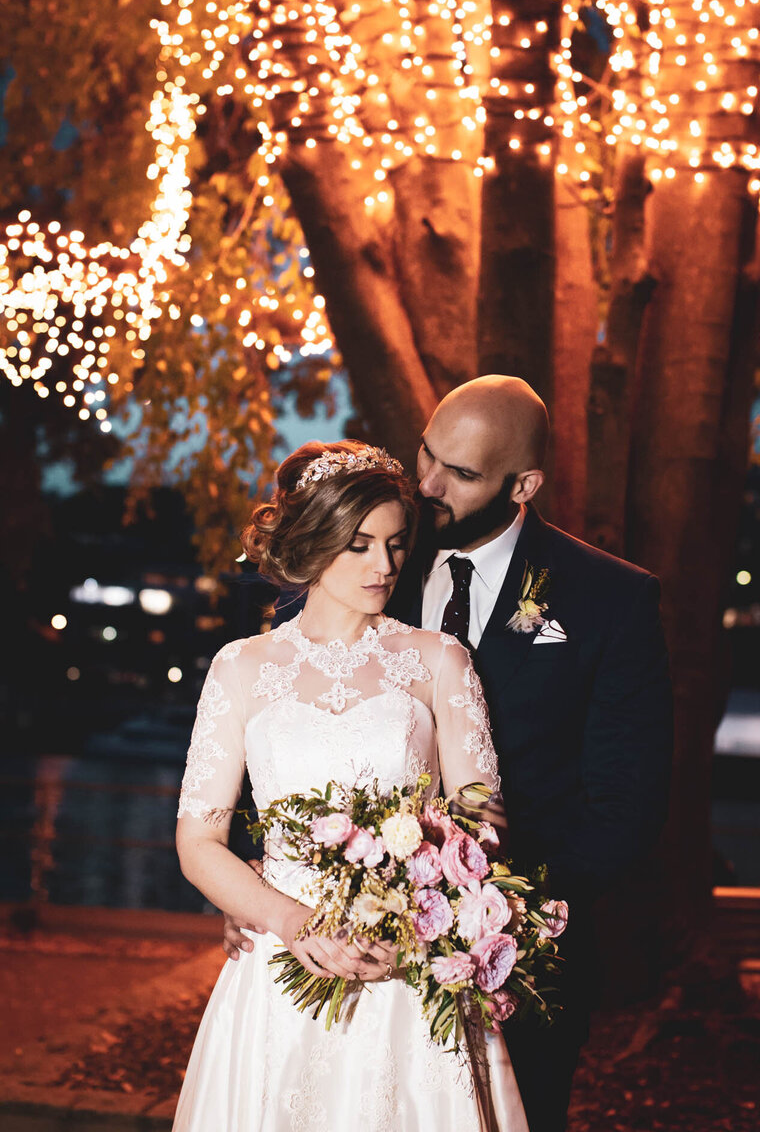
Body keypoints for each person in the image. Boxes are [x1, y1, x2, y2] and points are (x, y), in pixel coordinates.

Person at [225, 375, 674, 1132]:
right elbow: (275, 716)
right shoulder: (364, 554)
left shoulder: (609, 601)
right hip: (327, 947)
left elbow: (625, 809)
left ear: (523, 483)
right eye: (426, 455)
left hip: (513, 962)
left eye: (460, 475)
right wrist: (257, 884)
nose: (426, 485)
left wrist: (483, 914)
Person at [172, 439, 529, 1131]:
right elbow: (198, 838)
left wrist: (421, 918)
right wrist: (287, 918)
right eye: (359, 544)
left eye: (396, 544)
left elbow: (484, 822)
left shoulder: (439, 661)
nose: (385, 565)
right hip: (281, 973)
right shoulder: (240, 667)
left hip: (407, 968)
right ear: (311, 543)